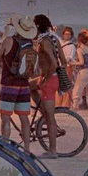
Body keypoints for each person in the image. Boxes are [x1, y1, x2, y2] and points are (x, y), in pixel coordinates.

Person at [0, 15, 38, 152]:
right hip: (24, 84)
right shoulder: (30, 43)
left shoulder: (8, 40)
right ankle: (26, 148)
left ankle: (5, 146)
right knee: (24, 118)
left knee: (5, 117)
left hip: (9, 83)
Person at [31, 15, 61, 158]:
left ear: (37, 26)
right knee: (29, 86)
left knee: (50, 117)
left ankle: (52, 150)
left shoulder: (44, 42)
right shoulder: (54, 39)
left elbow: (54, 63)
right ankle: (42, 110)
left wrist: (46, 79)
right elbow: (64, 61)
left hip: (49, 80)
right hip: (48, 78)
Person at [58, 26, 77, 107]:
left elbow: (70, 57)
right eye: (65, 34)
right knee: (59, 85)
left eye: (68, 34)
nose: (67, 36)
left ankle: (66, 104)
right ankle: (58, 103)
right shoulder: (61, 43)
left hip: (67, 66)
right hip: (60, 66)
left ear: (71, 35)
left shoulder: (72, 46)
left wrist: (61, 58)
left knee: (66, 85)